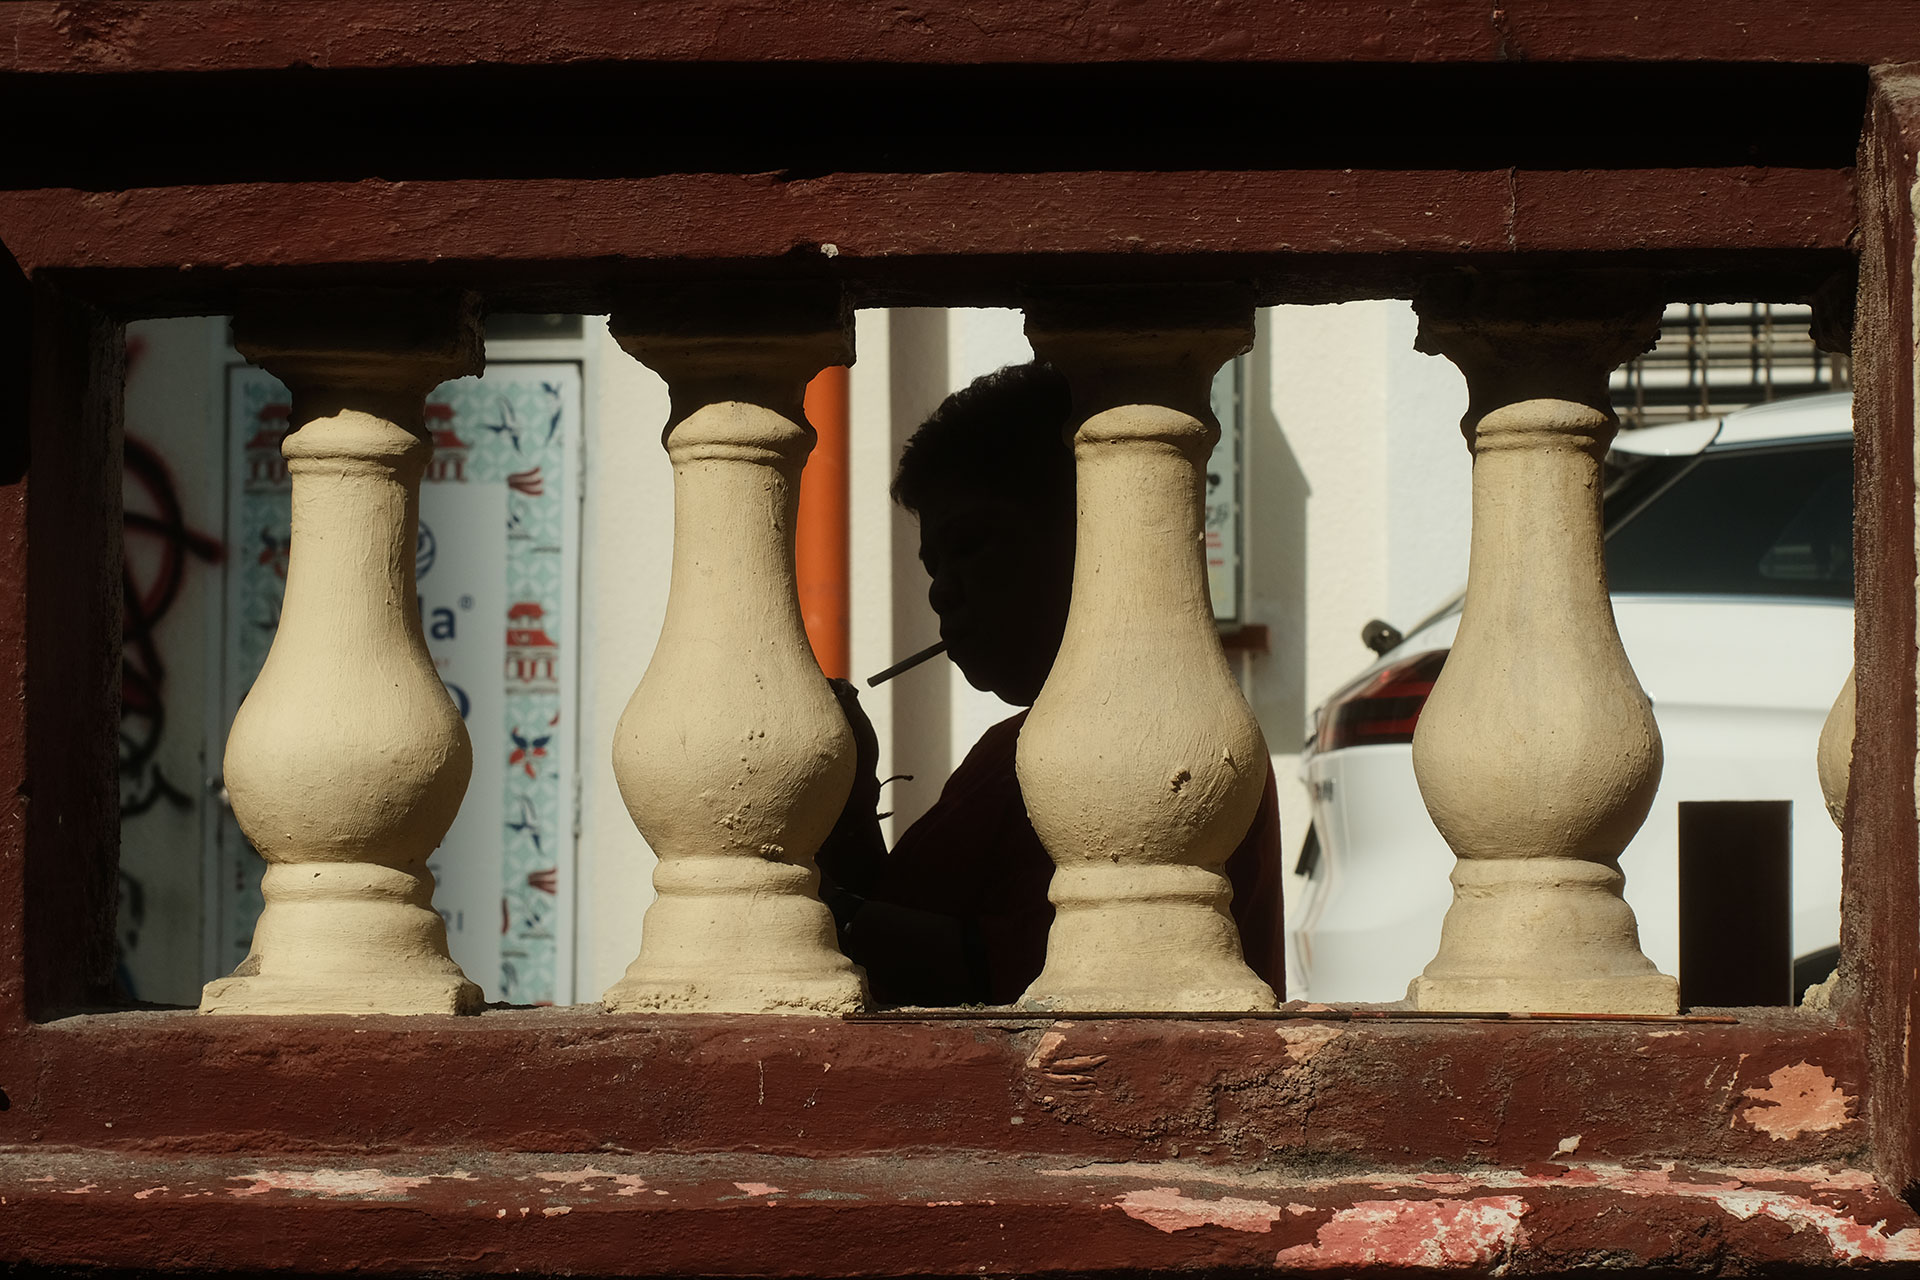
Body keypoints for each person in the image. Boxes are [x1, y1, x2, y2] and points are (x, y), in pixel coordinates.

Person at [815, 361, 1286, 1006]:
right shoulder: (1011, 750)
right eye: (933, 565)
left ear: (1087, 531)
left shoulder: (1140, 743)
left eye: (974, 546)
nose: (941, 591)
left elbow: (990, 975)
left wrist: (815, 912)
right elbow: (907, 933)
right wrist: (846, 809)